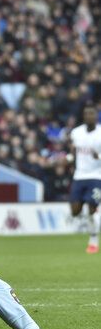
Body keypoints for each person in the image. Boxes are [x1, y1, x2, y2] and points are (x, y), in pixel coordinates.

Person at [67, 103, 101, 254]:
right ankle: (93, 218)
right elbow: (74, 149)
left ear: (96, 115)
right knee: (75, 211)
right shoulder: (76, 132)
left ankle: (93, 240)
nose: (89, 116)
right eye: (86, 114)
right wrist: (69, 157)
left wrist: (98, 156)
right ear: (83, 116)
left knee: (91, 209)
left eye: (91, 113)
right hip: (79, 175)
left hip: (96, 176)